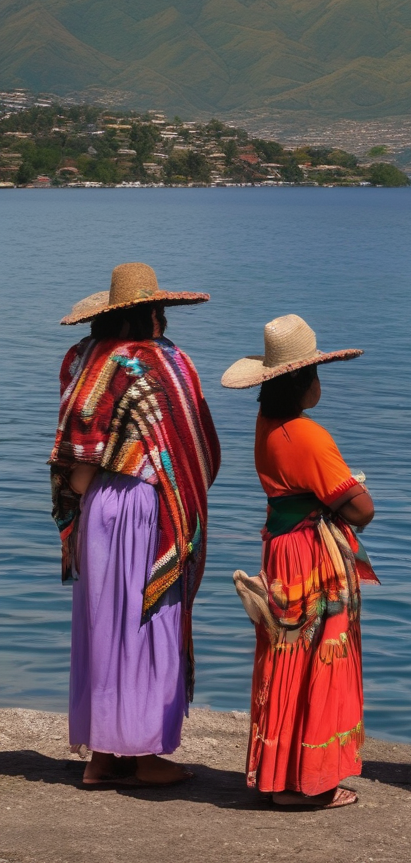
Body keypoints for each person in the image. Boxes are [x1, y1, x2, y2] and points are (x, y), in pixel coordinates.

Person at [50, 262, 221, 788]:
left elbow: (76, 463)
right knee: (149, 621)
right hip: (149, 504)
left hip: (98, 505)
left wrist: (91, 496)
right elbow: (198, 447)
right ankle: (146, 757)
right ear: (154, 312)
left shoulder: (82, 360)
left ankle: (101, 758)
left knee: (104, 624)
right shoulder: (166, 362)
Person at [222, 313, 377, 809]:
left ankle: (279, 776)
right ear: (303, 380)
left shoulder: (267, 426)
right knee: (321, 656)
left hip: (282, 550)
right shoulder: (307, 436)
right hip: (311, 557)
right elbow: (361, 510)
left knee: (286, 654)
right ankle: (309, 781)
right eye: (315, 373)